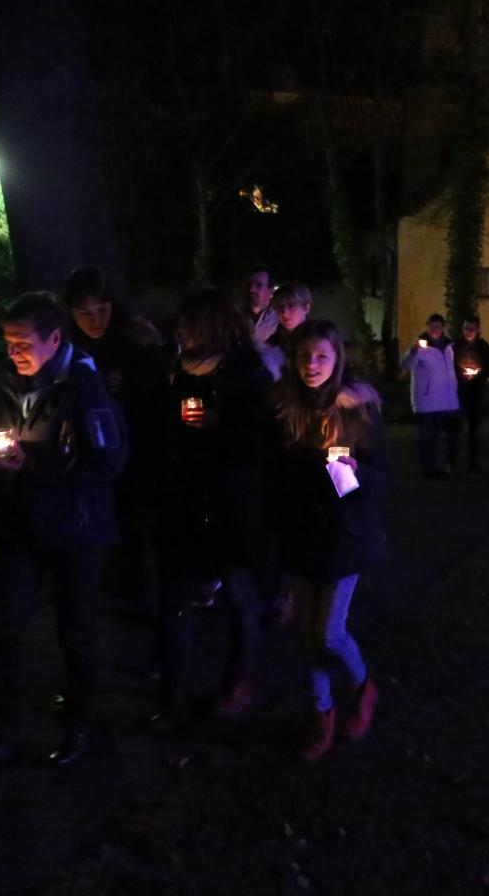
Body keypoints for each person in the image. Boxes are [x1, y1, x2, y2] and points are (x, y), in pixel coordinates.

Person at [0, 292, 128, 778]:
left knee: (77, 633)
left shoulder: (85, 387)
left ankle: (80, 727)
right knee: (2, 628)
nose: (14, 352)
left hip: (77, 529)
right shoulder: (4, 384)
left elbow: (107, 462)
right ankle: (3, 737)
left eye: (23, 342)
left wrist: (32, 465)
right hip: (22, 528)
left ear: (55, 339)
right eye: (8, 342)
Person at [268, 320, 387, 760]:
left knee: (329, 632)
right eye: (303, 356)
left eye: (321, 356)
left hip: (343, 536)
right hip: (302, 533)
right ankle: (322, 713)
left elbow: (380, 473)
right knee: (306, 634)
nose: (311, 365)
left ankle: (363, 685)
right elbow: (278, 470)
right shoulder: (287, 408)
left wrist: (353, 473)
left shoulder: (357, 408)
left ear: (337, 359)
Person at [158, 287, 273, 724]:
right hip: (185, 497)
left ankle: (237, 682)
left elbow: (260, 438)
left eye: (189, 323)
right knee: (175, 597)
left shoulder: (246, 371)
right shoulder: (182, 369)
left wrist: (220, 424)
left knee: (240, 597)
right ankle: (171, 692)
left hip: (231, 501)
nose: (181, 330)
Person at [62, 266, 169, 614]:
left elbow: (160, 390)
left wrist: (132, 383)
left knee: (135, 523)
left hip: (136, 449)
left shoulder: (133, 337)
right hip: (92, 452)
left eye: (102, 310)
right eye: (84, 313)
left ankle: (138, 594)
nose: (95, 320)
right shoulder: (69, 350)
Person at [400, 313, 459, 477]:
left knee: (438, 435)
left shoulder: (449, 347)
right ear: (428, 327)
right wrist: (413, 351)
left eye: (438, 326)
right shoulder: (420, 346)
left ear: (442, 328)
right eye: (432, 326)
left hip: (443, 400)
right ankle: (427, 468)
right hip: (426, 399)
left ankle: (435, 466)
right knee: (426, 435)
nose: (435, 330)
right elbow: (406, 365)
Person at [451, 313, 489, 473]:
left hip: (476, 394)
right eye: (466, 328)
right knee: (455, 430)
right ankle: (452, 463)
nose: (468, 331)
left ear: (478, 330)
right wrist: (460, 375)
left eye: (472, 329)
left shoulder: (484, 347)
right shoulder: (455, 347)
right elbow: (448, 367)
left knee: (474, 431)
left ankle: (473, 464)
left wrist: (479, 374)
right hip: (458, 394)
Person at [261, 281, 312, 381]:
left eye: (291, 306)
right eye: (280, 307)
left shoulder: (319, 337)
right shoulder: (272, 342)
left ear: (306, 307)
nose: (284, 313)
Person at [241, 263, 279, 354]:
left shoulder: (280, 318)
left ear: (271, 289)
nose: (251, 289)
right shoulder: (235, 317)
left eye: (258, 285)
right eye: (249, 284)